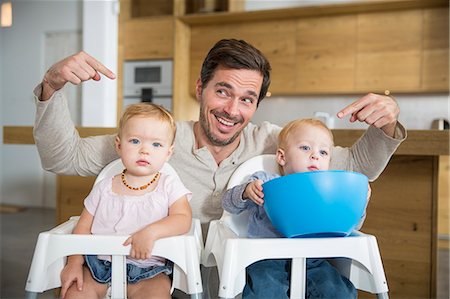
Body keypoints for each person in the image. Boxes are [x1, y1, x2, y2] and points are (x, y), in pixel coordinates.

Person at [33, 38, 405, 225]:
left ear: (257, 105)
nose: (232, 110)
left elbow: (357, 168)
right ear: (200, 88)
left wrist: (386, 120)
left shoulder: (278, 142)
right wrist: (51, 86)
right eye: (223, 91)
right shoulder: (154, 140)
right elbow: (61, 157)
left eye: (247, 99)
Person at [222, 118, 369, 298]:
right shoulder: (265, 182)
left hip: (313, 260)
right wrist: (246, 191)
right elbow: (228, 205)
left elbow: (351, 227)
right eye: (306, 148)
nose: (315, 155)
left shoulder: (326, 193)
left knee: (339, 291)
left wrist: (359, 202)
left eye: (323, 152)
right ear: (282, 157)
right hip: (267, 260)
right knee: (266, 292)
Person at [59, 103, 192, 299]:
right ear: (119, 145)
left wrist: (152, 232)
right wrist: (74, 262)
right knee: (76, 294)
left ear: (168, 153)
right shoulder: (104, 187)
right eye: (135, 141)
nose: (144, 150)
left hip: (149, 268)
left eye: (156, 144)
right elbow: (82, 227)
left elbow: (183, 219)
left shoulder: (169, 185)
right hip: (98, 265)